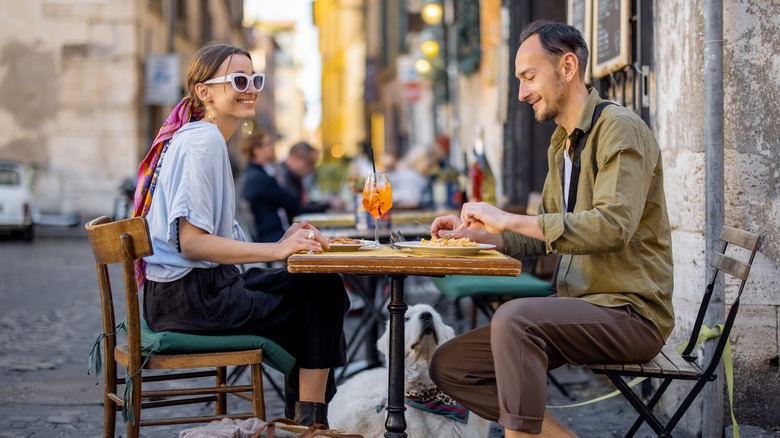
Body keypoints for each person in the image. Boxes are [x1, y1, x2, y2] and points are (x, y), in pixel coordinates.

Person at [428, 20, 673, 437]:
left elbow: (612, 227)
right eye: (520, 81)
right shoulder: (562, 143)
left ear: (568, 67)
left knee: (515, 317)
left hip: (630, 314)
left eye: (529, 77)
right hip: (577, 309)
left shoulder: (619, 128)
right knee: (451, 366)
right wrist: (480, 235)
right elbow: (537, 234)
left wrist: (508, 217)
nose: (522, 92)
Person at [132, 42, 347, 428]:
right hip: (191, 298)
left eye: (255, 79)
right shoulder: (204, 141)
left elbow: (205, 240)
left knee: (317, 285)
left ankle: (306, 421)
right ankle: (312, 424)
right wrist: (278, 248)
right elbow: (192, 242)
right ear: (205, 92)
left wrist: (284, 239)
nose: (251, 88)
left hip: (189, 291)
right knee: (322, 295)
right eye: (239, 80)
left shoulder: (201, 137)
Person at [240, 131, 301, 243]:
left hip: (273, 233)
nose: (273, 147)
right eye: (268, 144)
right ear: (256, 150)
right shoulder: (259, 178)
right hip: (273, 237)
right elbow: (292, 202)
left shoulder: (255, 173)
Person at [277, 141, 343, 222]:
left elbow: (302, 204)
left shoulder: (292, 176)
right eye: (310, 163)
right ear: (296, 158)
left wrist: (323, 203)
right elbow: (297, 208)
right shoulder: (281, 177)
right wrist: (328, 205)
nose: (312, 169)